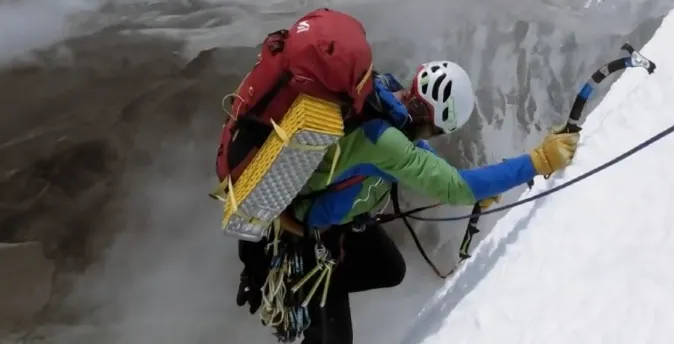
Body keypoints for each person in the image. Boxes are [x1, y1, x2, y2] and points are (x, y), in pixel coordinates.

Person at [235, 60, 581, 344]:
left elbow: (427, 162)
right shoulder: (386, 141)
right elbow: (454, 187)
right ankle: (310, 296)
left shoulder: (388, 104)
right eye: (436, 130)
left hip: (335, 226)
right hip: (305, 236)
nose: (430, 137)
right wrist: (536, 162)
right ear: (432, 118)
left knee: (389, 268)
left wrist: (488, 185)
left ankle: (319, 296)